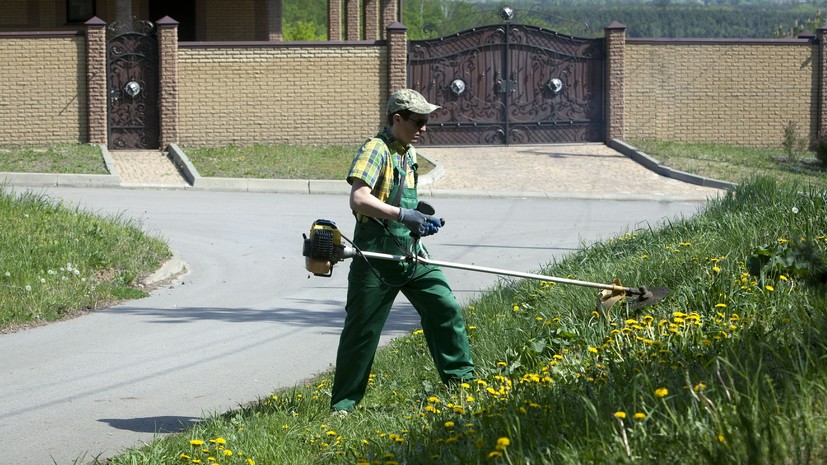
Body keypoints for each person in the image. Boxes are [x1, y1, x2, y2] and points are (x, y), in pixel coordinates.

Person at [329, 89, 475, 414]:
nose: (424, 128)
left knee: (445, 307)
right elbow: (359, 198)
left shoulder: (408, 155)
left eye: (427, 121)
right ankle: (343, 405)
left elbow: (402, 203)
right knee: (362, 331)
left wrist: (419, 220)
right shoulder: (375, 149)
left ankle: (463, 385)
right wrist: (402, 215)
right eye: (418, 121)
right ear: (398, 119)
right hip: (375, 258)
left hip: (411, 253)